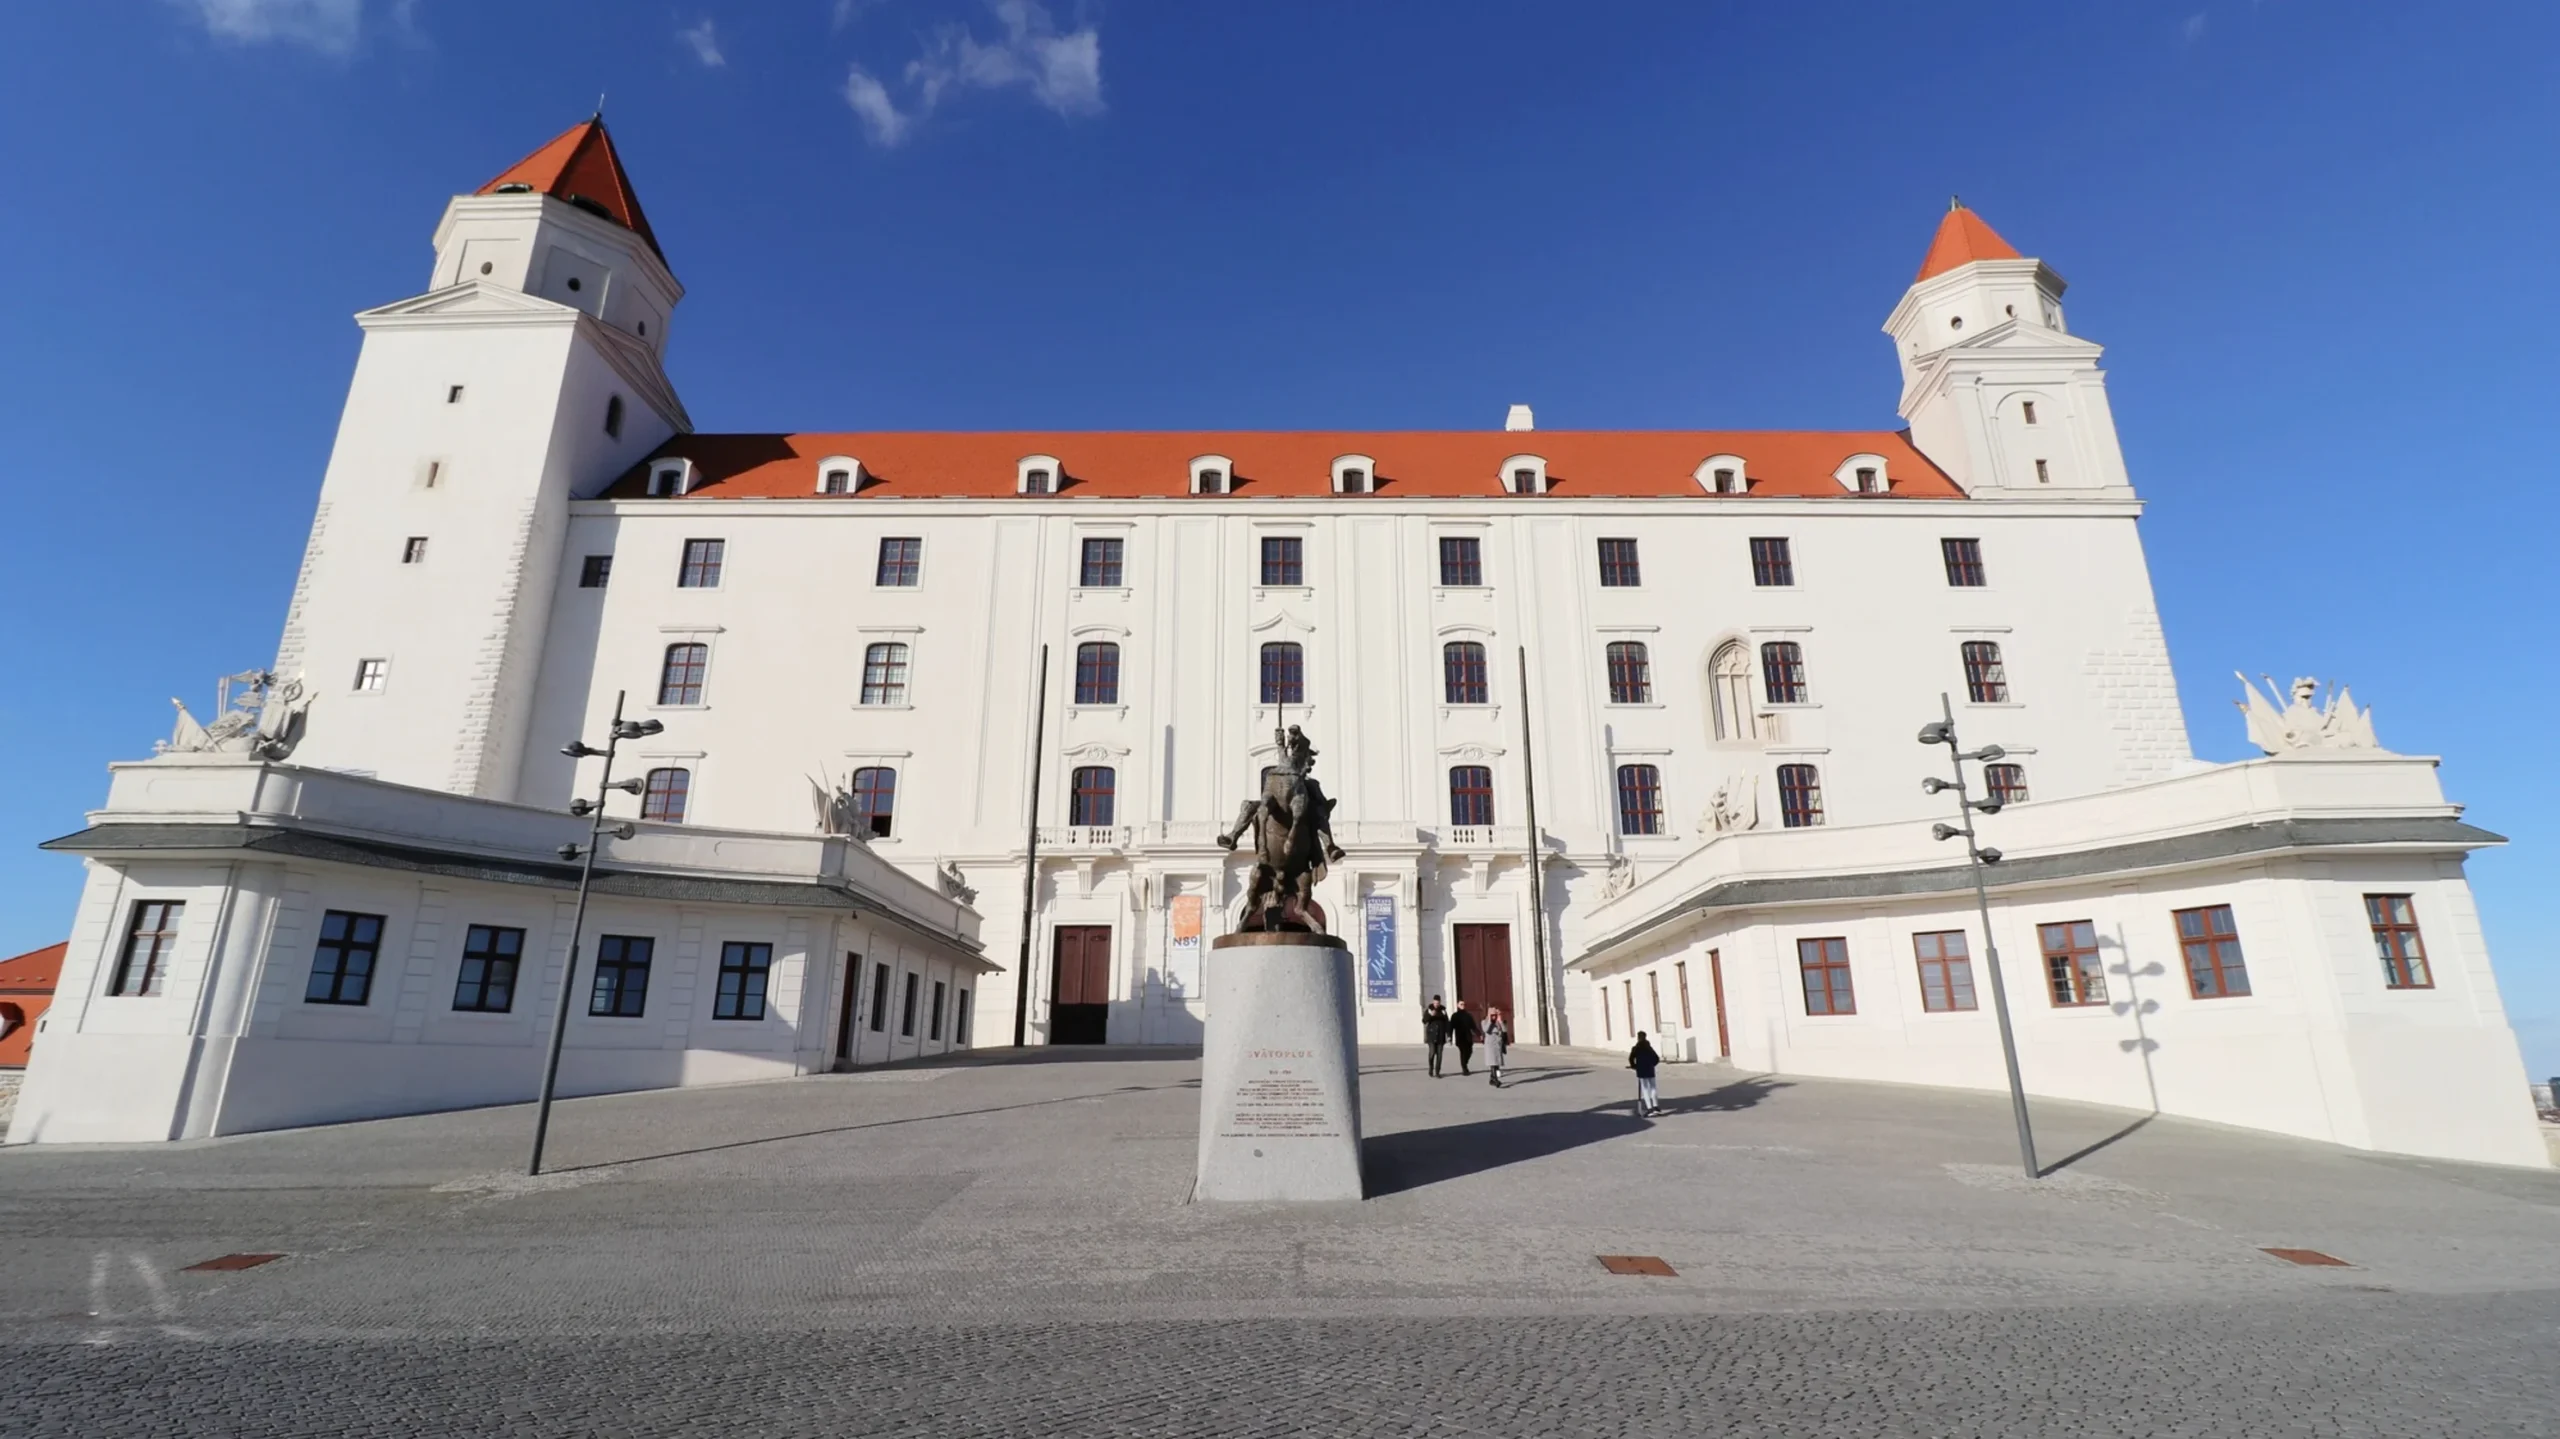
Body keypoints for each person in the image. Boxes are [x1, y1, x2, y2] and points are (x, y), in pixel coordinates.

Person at [1629, 1030, 1662, 1117]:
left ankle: (1650, 1108)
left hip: (1641, 1070)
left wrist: (1634, 1066)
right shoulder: (1649, 1048)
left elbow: (1631, 1058)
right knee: (1653, 1088)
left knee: (1645, 1089)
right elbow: (1656, 1058)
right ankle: (1656, 1106)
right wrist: (1652, 1065)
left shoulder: (1636, 1048)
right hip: (1650, 1070)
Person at [1422, 997, 1451, 1078]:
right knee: (1432, 1053)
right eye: (1435, 1003)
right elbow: (1424, 1021)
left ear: (1440, 1003)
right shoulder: (1429, 1010)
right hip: (1431, 1035)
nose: (1436, 1005)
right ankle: (1431, 1067)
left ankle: (1437, 1072)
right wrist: (1430, 1015)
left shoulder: (1443, 1011)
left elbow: (1447, 1023)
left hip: (1441, 1036)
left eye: (1438, 1003)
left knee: (1439, 1055)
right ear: (1433, 1002)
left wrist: (1448, 1035)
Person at [1449, 1003, 1480, 1076]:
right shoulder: (1455, 1016)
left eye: (1464, 1004)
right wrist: (1449, 1037)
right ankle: (1464, 1069)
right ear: (1457, 1005)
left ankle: (1464, 1063)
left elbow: (1473, 1026)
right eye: (1461, 1004)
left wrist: (1479, 1034)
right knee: (1463, 1052)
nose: (1463, 1005)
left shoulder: (1468, 1015)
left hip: (1468, 1037)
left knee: (1469, 1051)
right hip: (1460, 1037)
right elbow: (1451, 1027)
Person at [1484, 1008, 1510, 1087]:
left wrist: (1500, 1021)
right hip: (1490, 1044)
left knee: (1496, 1062)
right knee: (1493, 1062)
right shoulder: (1485, 1022)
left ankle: (1492, 1078)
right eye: (1493, 1015)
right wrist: (1490, 1021)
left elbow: (1505, 1030)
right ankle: (1495, 1079)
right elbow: (1486, 1029)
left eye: (1496, 1014)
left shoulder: (1499, 1022)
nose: (1495, 1016)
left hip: (1498, 1043)